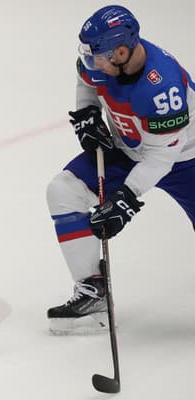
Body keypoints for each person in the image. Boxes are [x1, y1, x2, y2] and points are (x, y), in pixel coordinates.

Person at [46, 5, 195, 334]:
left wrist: (125, 199)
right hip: (129, 148)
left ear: (122, 52)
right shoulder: (103, 61)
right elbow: (86, 80)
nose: (93, 65)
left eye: (98, 58)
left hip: (186, 158)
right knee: (63, 190)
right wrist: (87, 114)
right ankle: (93, 291)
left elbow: (160, 159)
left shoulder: (162, 87)